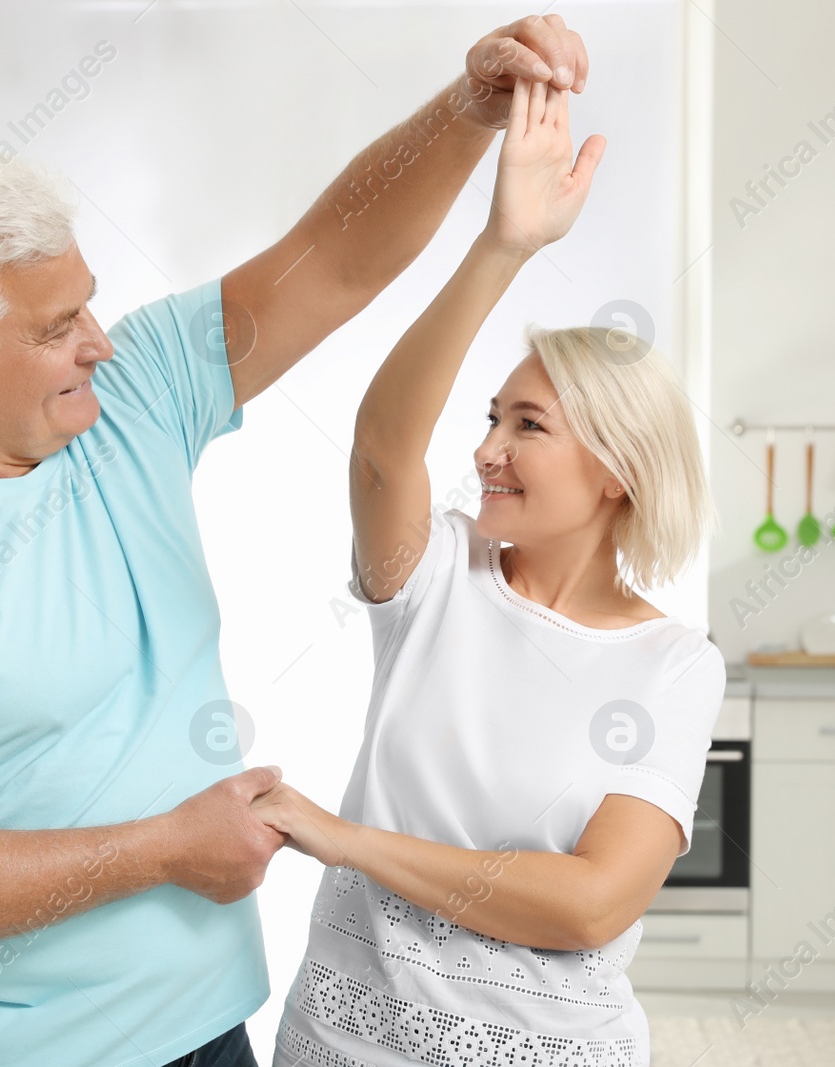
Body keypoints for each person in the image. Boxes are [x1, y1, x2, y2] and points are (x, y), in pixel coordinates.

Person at [0, 17, 593, 1067]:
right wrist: (164, 849)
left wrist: (466, 109)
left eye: (90, 305)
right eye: (56, 327)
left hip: (208, 1027)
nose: (98, 341)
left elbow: (330, 260)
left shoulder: (129, 396)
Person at [251, 76, 726, 1067]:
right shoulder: (438, 577)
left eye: (530, 426)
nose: (488, 451)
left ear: (617, 470)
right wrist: (502, 243)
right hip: (340, 1036)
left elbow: (590, 903)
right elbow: (386, 445)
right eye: (491, 419)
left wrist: (347, 839)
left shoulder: (675, 665)